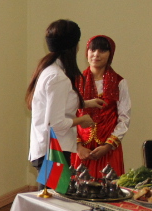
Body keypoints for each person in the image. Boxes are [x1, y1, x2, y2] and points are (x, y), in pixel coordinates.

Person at [25, 19, 104, 187]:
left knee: (51, 203)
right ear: (73, 46)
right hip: (54, 152)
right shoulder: (58, 77)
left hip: (50, 149)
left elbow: (59, 104)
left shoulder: (50, 69)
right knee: (52, 205)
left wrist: (86, 103)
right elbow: (55, 123)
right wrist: (82, 120)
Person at [71, 35, 130, 179]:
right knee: (77, 190)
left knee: (109, 191)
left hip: (108, 149)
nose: (96, 54)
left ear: (111, 54)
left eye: (102, 51)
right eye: (93, 49)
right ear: (87, 52)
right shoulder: (76, 80)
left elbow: (124, 118)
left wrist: (109, 146)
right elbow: (69, 115)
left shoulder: (119, 82)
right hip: (81, 150)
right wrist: (78, 146)